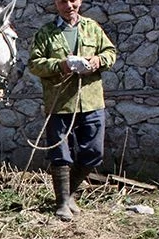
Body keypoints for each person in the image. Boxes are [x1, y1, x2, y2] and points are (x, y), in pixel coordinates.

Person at [28, 0, 117, 221]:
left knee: (93, 152)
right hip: (59, 105)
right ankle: (61, 204)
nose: (69, 5)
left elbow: (110, 53)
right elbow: (34, 63)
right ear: (56, 4)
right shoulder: (46, 33)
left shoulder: (92, 28)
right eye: (62, 1)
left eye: (73, 0)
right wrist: (61, 66)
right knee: (59, 154)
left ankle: (70, 194)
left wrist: (97, 61)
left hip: (91, 101)